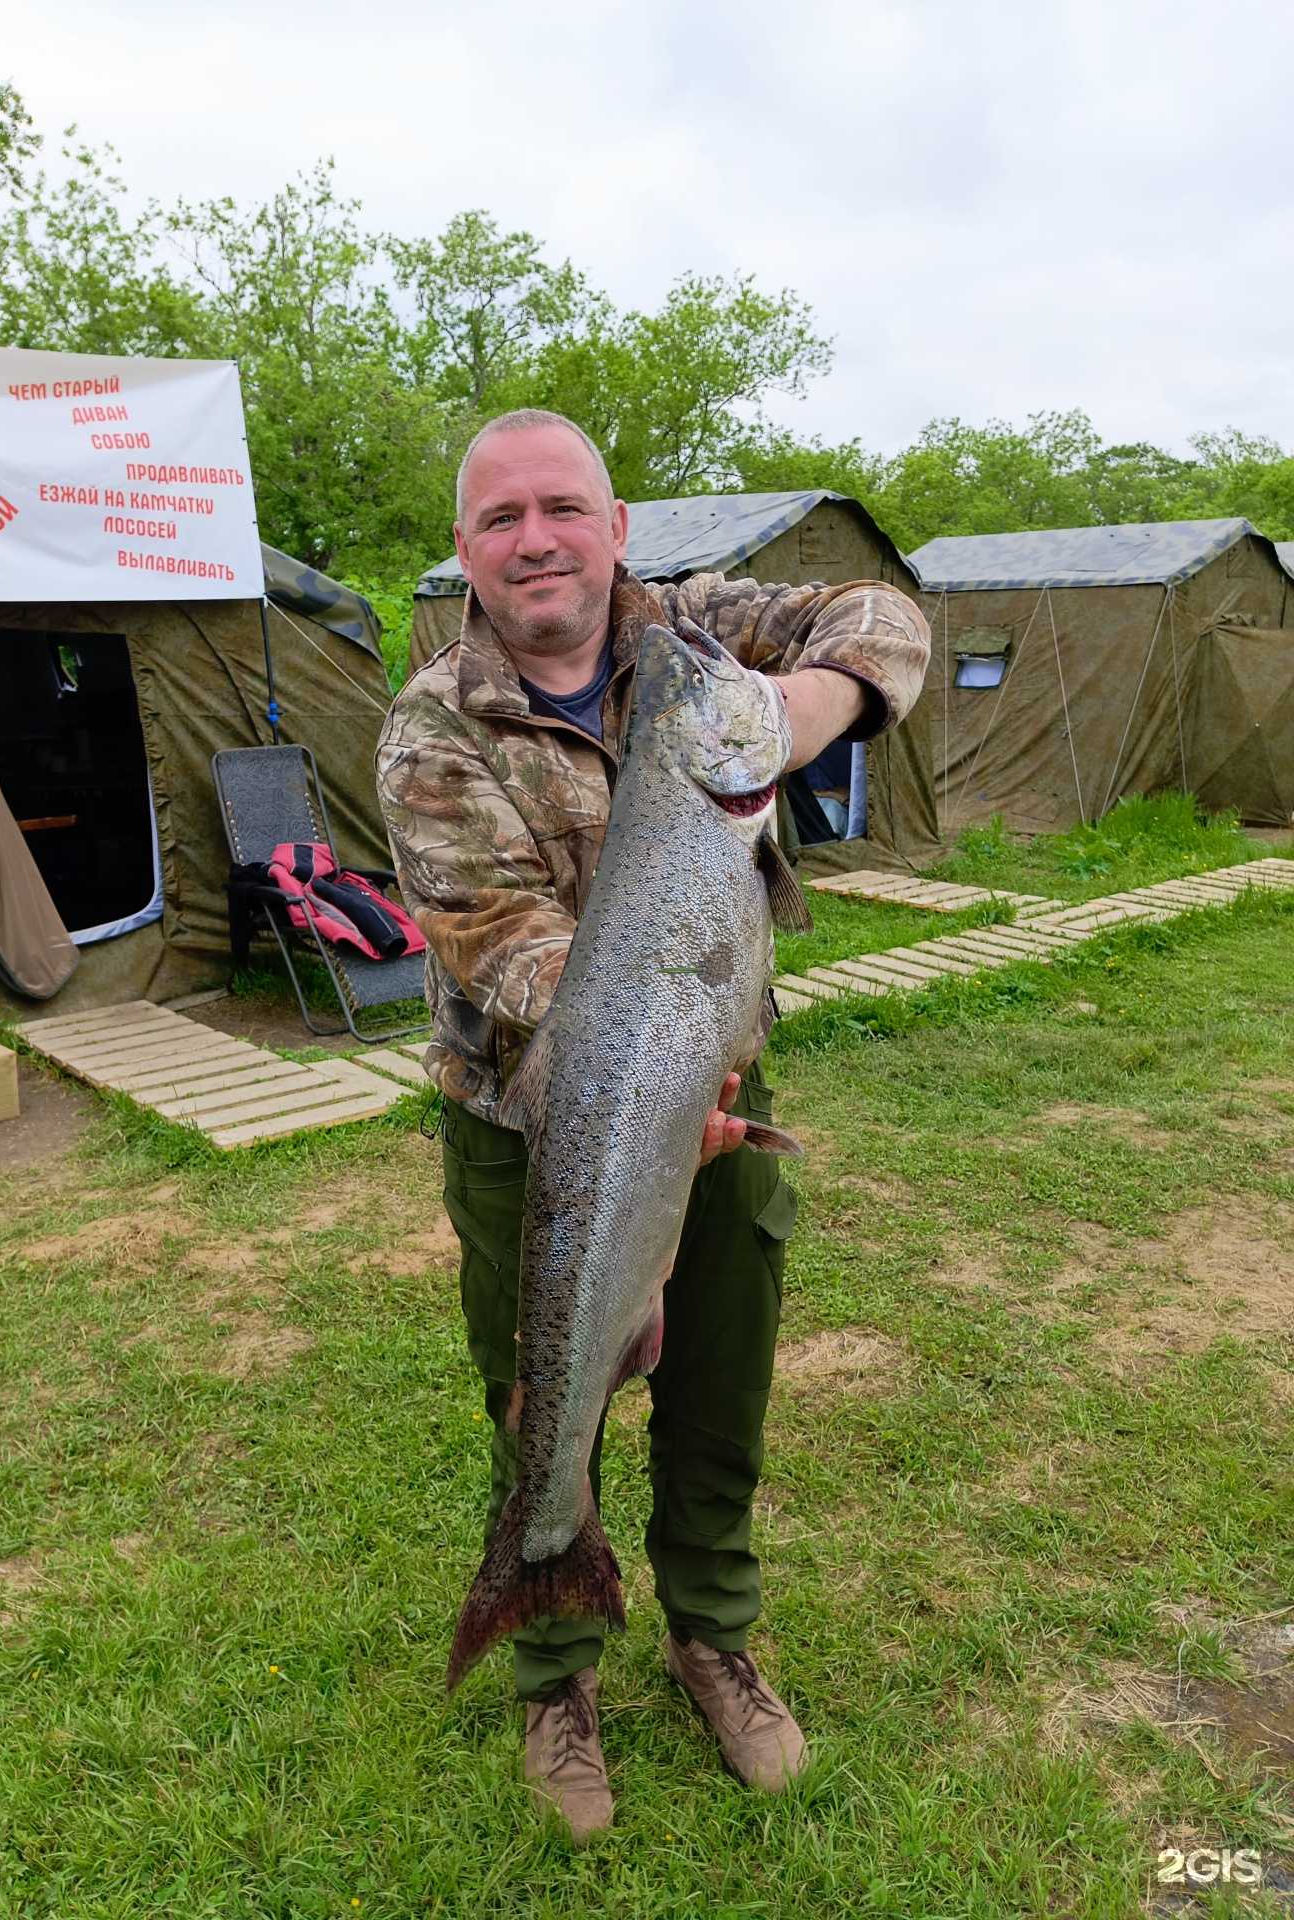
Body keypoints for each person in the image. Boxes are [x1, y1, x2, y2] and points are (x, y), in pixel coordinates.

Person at [375, 410, 929, 1841]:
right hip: (532, 1129)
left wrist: (812, 709)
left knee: (718, 1386)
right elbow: (502, 942)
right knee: (548, 1385)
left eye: (564, 506)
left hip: (722, 1109)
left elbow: (885, 616)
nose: (536, 538)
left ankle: (714, 1639)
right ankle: (552, 1656)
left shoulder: (699, 639)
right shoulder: (433, 727)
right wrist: (644, 1094)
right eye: (501, 519)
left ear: (617, 527)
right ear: (466, 551)